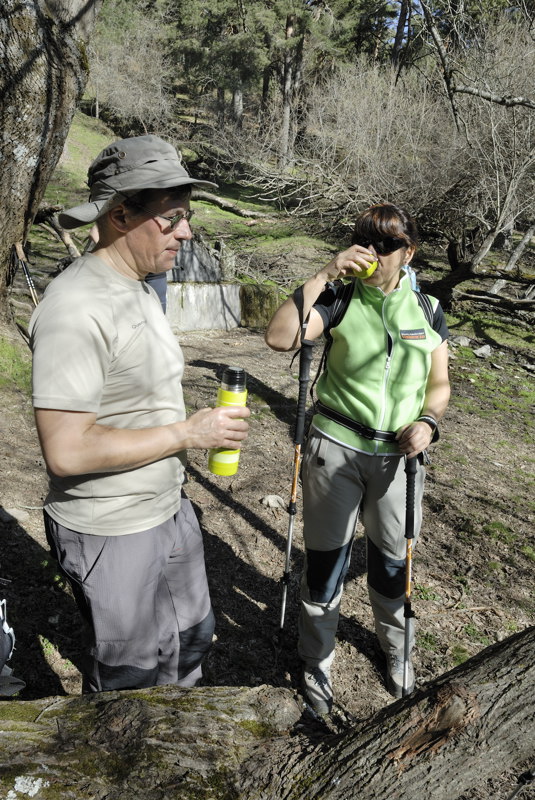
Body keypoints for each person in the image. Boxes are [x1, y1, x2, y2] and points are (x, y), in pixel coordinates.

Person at [29, 134, 250, 692]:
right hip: (111, 529)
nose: (187, 232)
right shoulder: (77, 307)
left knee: (193, 640)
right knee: (130, 682)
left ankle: (175, 762)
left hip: (167, 510)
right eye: (172, 219)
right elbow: (67, 450)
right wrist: (188, 432)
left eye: (187, 217)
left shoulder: (140, 286)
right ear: (121, 215)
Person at [265, 203, 450, 712]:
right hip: (336, 448)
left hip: (399, 460)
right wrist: (325, 274)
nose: (373, 253)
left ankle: (398, 653)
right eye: (365, 241)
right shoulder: (341, 297)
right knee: (325, 564)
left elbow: (439, 386)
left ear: (408, 252)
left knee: (393, 564)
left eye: (386, 245)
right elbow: (280, 337)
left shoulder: (429, 311)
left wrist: (429, 423)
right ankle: (317, 663)